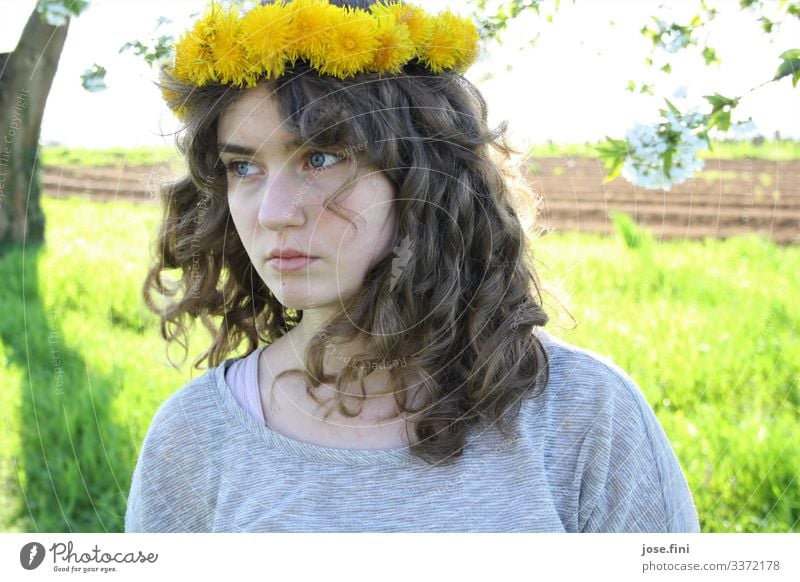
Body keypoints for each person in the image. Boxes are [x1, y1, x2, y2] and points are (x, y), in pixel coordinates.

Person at [125, 0, 700, 533]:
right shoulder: (194, 437)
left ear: (424, 175)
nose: (273, 213)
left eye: (321, 158)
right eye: (243, 169)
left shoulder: (586, 416)